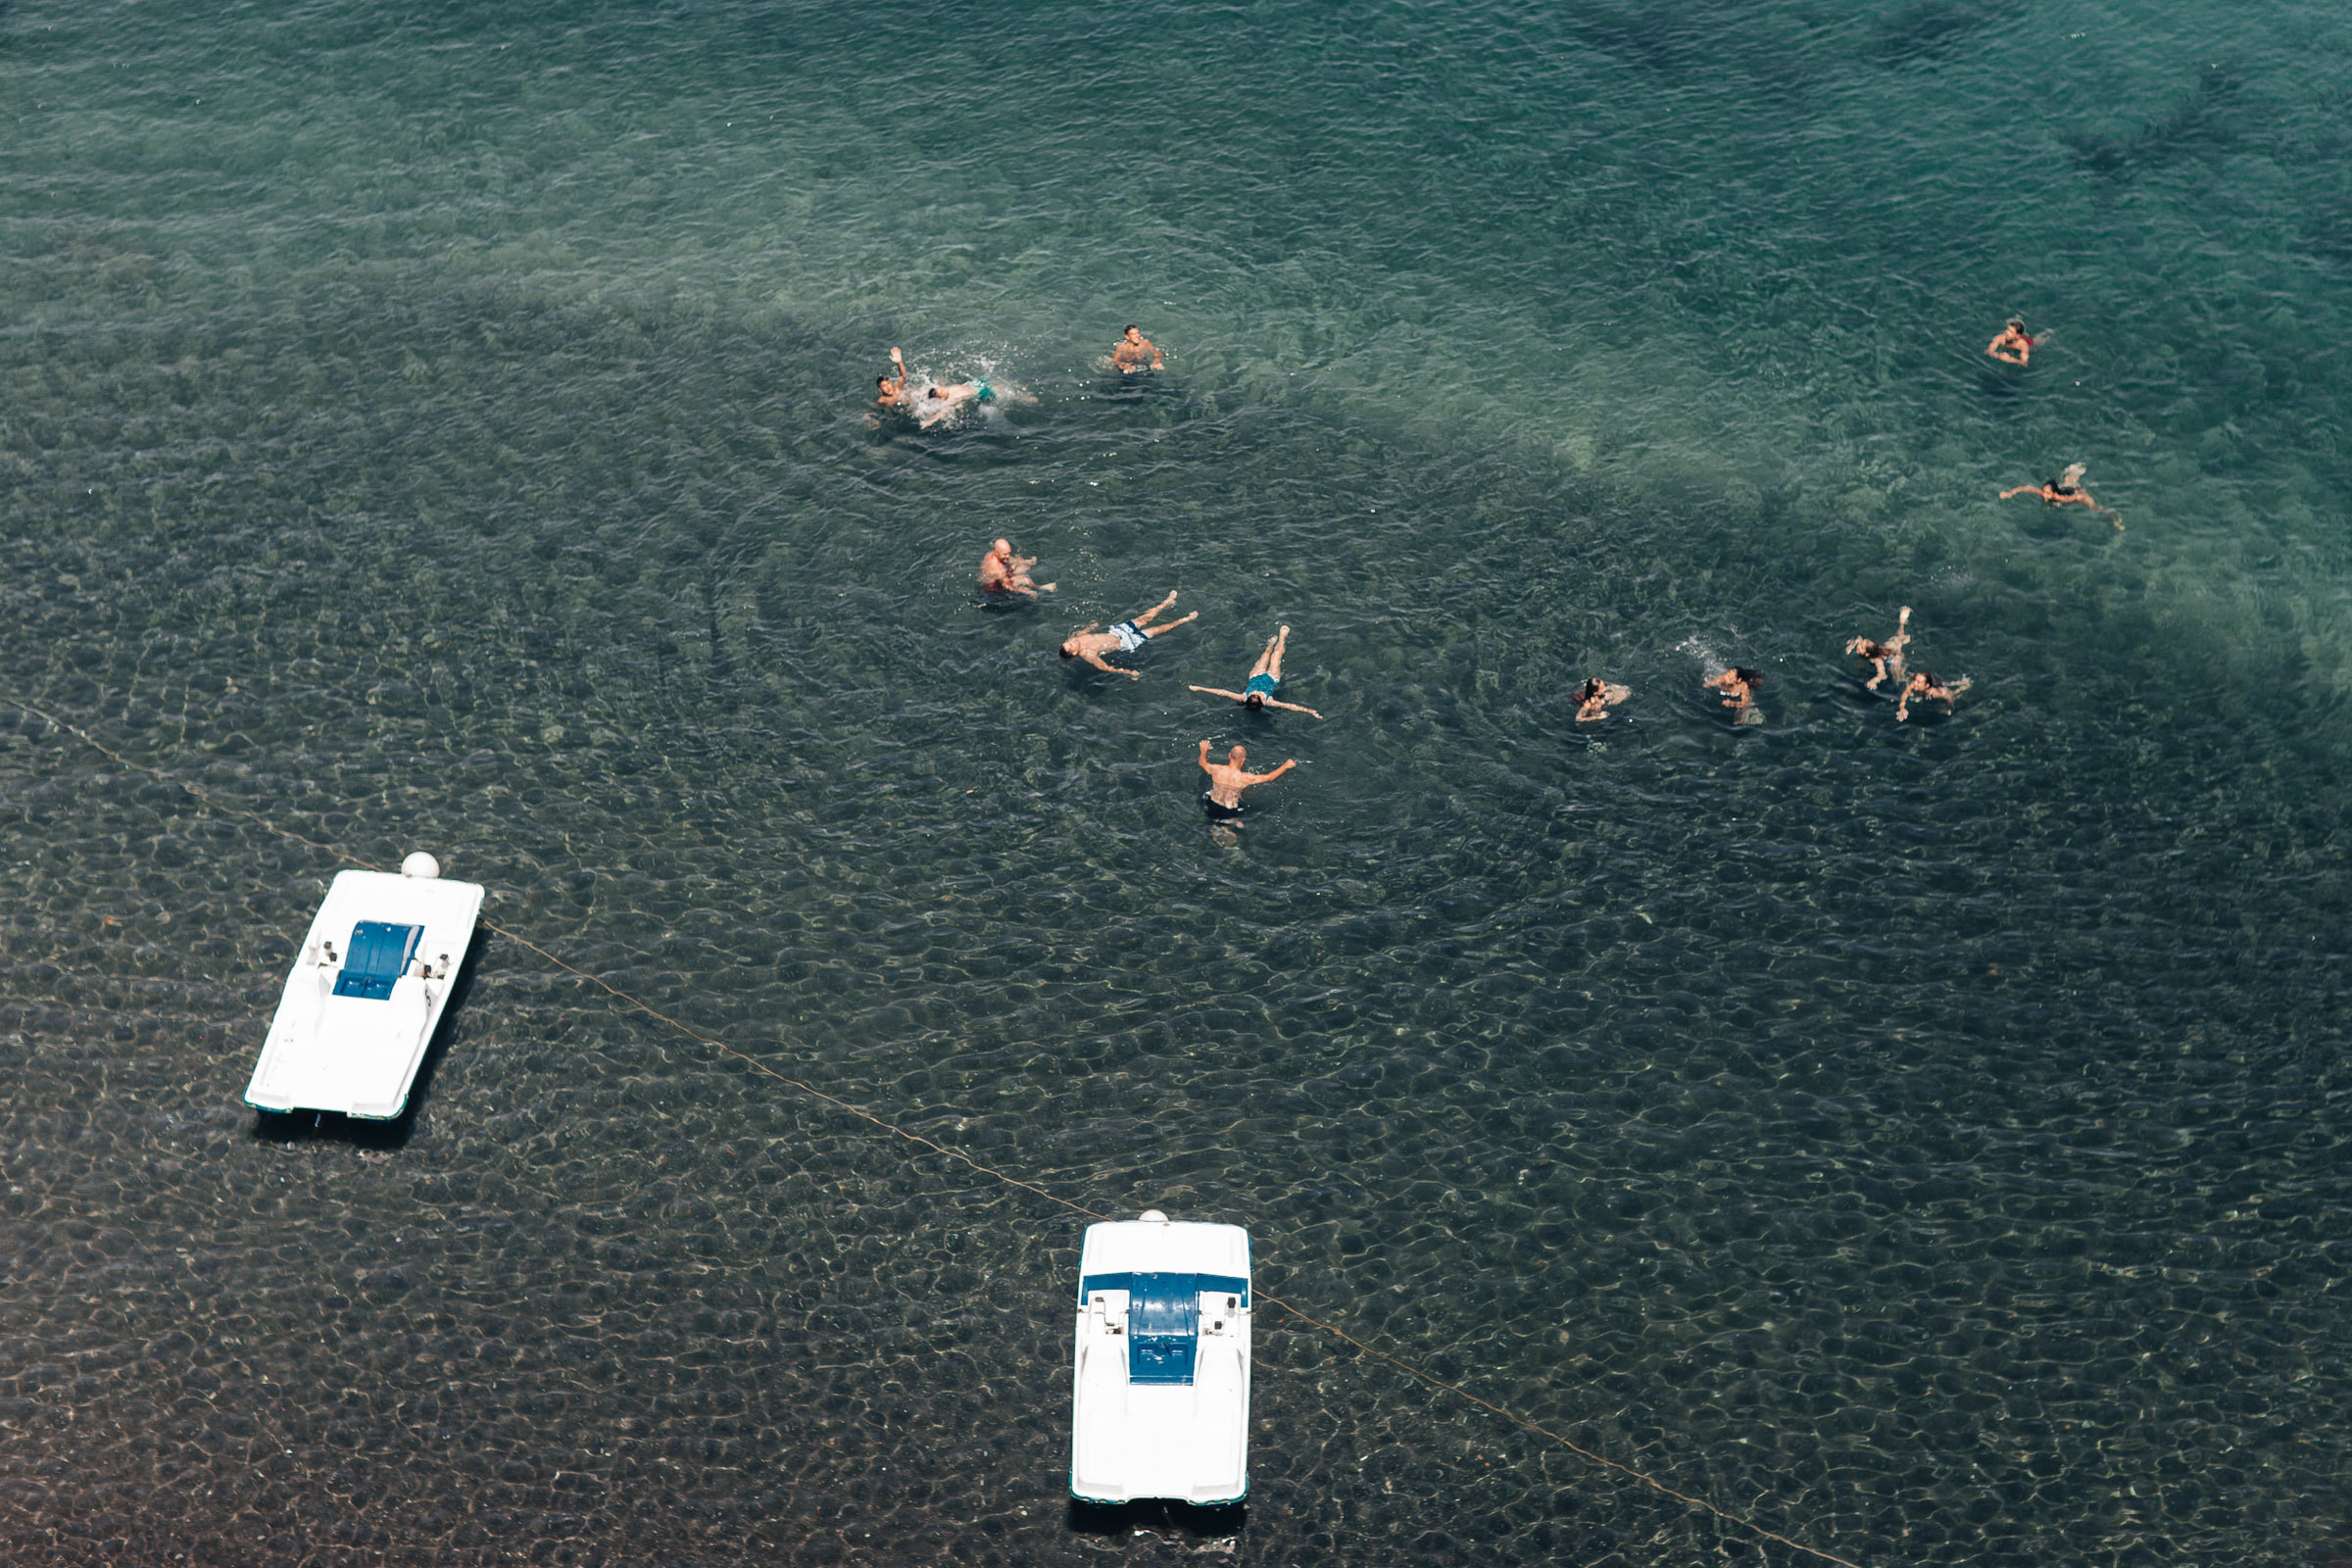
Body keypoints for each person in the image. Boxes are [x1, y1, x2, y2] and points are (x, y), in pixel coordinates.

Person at [1190, 626, 1322, 717]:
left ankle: (1270, 644)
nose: (1255, 694)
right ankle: (1282, 638)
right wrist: (1309, 711)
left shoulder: (1243, 697)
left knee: (1266, 655)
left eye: (1252, 696)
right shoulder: (1269, 701)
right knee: (1276, 656)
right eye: (1256, 697)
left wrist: (1200, 688)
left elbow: (1222, 692)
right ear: (1260, 701)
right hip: (1272, 678)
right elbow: (1288, 706)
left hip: (1255, 676)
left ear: (1248, 700)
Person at [1059, 592, 1197, 678]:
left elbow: (1084, 631)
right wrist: (1129, 673)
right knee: (1157, 630)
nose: (1071, 641)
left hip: (1118, 631)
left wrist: (1092, 626)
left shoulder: (1075, 638)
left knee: (1144, 618)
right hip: (1126, 643)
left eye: (1069, 642)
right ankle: (1185, 619)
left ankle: (1166, 603)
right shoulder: (1088, 654)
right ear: (1075, 652)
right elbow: (1105, 667)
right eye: (1071, 645)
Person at [1198, 739, 1296, 820]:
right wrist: (1286, 766)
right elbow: (1269, 777)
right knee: (1244, 795)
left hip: (1211, 803)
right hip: (1229, 809)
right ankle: (1230, 825)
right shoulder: (1246, 778)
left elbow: (1202, 763)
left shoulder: (1216, 769)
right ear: (1243, 760)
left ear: (1229, 755)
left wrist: (1204, 750)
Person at [2001, 464, 2121, 528]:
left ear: (2054, 493)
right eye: (2043, 492)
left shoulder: (2059, 498)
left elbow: (2072, 498)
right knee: (2068, 483)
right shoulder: (2046, 493)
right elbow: (2026, 488)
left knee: (2094, 507)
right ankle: (2073, 474)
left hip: (2077, 494)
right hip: (2065, 489)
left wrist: (2061, 502)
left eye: (2047, 493)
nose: (2044, 495)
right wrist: (2009, 494)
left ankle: (2111, 515)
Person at [1845, 606, 1912, 691]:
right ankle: (1902, 623)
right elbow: (1859, 638)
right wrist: (1851, 645)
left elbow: (1882, 675)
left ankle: (1908, 682)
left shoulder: (1876, 660)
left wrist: (1874, 681)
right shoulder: (1871, 648)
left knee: (1897, 679)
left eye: (1861, 647)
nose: (1858, 646)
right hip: (1888, 649)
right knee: (1898, 639)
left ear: (1867, 654)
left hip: (1893, 659)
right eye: (1860, 644)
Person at [980, 539, 1054, 599]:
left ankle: (1027, 566)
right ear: (996, 553)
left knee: (1021, 565)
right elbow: (1008, 586)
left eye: (1009, 553)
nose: (1008, 556)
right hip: (996, 590)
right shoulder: (997, 568)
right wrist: (1028, 593)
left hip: (999, 579)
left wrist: (1026, 562)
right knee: (1025, 579)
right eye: (1005, 554)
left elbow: (1009, 559)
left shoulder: (992, 554)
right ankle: (1040, 588)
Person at [1895, 669, 1971, 722]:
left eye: (1918, 682)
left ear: (1926, 685)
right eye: (1915, 680)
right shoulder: (1913, 687)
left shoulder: (1937, 694)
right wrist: (1902, 708)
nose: (1914, 683)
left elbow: (1949, 698)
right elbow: (1905, 695)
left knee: (1955, 695)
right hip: (1930, 689)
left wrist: (1947, 709)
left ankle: (1965, 684)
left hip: (1942, 690)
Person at [918, 378, 994, 429]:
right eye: (940, 391)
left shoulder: (948, 388)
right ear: (942, 398)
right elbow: (943, 413)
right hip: (982, 393)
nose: (942, 388)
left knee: (995, 382)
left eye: (941, 388)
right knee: (1000, 389)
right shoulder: (951, 401)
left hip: (976, 384)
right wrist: (930, 421)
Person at [875, 347, 911, 411]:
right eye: (884, 386)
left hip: (911, 406)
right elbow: (875, 410)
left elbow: (903, 376)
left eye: (888, 384)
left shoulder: (897, 388)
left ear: (891, 383)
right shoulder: (882, 400)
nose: (888, 387)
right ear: (880, 389)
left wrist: (899, 363)